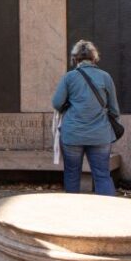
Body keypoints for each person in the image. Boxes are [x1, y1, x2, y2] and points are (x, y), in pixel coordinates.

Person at [52, 40, 120, 196]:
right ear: (95, 58)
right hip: (100, 135)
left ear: (75, 59)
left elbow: (56, 103)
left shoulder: (69, 77)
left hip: (72, 134)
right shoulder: (105, 77)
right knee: (103, 175)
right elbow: (115, 110)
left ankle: (74, 215)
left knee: (71, 174)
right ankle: (109, 215)